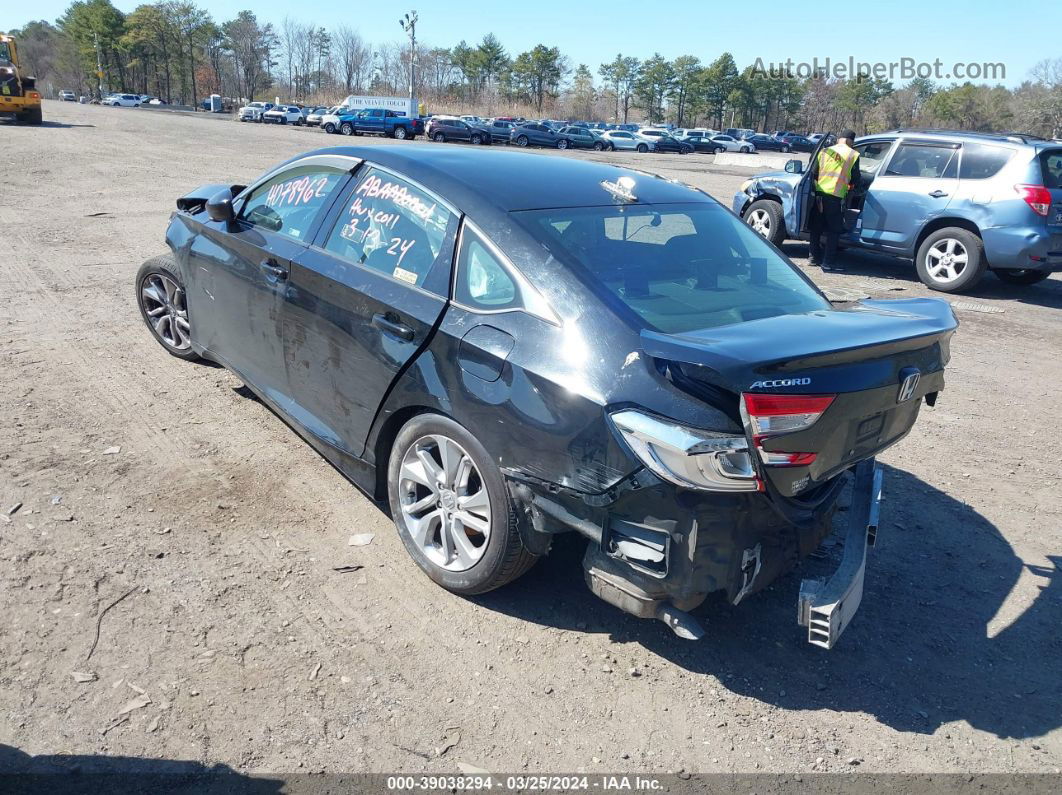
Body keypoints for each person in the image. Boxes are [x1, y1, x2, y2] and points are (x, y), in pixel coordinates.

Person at [807, 129, 860, 272]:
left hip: (819, 195)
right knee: (834, 230)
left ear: (839, 139)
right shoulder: (853, 154)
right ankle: (828, 262)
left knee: (816, 227)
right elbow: (856, 178)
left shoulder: (824, 151)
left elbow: (813, 173)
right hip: (835, 197)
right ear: (850, 141)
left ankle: (813, 257)